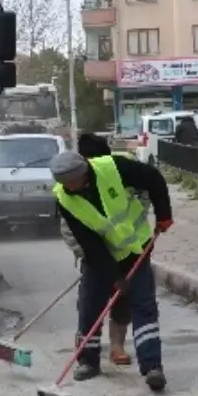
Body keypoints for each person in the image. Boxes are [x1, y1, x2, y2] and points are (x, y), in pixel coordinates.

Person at [50, 148, 173, 392]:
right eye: (65, 184)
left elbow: (153, 178)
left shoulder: (114, 167)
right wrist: (114, 277)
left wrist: (163, 213)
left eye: (73, 182)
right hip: (99, 257)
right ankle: (88, 361)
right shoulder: (64, 199)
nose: (70, 188)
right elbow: (89, 243)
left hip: (135, 249)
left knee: (143, 305)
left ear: (84, 172)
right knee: (90, 306)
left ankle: (152, 367)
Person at [60, 133, 137, 367]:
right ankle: (86, 349)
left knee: (121, 299)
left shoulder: (117, 176)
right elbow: (68, 230)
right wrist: (86, 254)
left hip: (122, 251)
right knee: (90, 302)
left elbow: (138, 205)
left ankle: (117, 347)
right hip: (93, 257)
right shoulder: (69, 188)